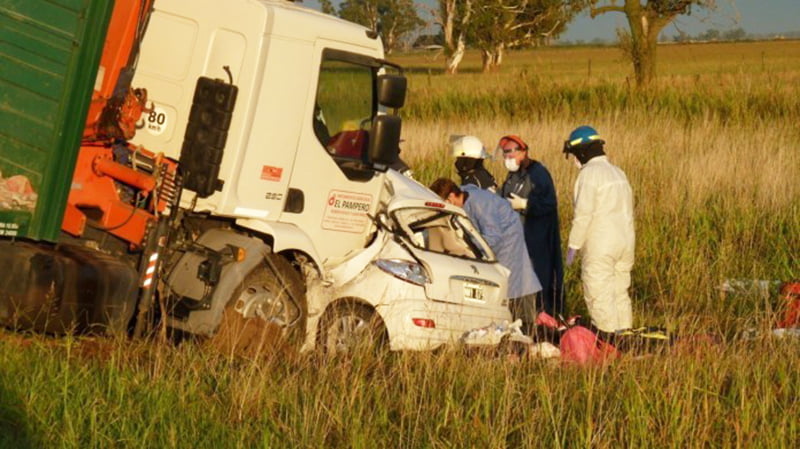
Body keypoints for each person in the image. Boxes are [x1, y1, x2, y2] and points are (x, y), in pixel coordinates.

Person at [430, 177, 541, 334]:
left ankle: (523, 330)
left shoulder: (481, 204)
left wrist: (469, 251)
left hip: (508, 246)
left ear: (451, 197)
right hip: (498, 246)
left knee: (513, 289)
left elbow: (493, 237)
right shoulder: (465, 197)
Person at [562, 125, 635, 333]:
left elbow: (583, 216)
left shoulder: (589, 174)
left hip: (601, 246)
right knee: (620, 294)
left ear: (582, 151)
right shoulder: (618, 173)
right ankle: (626, 341)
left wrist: (573, 247)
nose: (575, 160)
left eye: (574, 154)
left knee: (599, 296)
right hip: (626, 244)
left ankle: (609, 344)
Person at [497, 134, 564, 318]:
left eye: (511, 153)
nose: (508, 159)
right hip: (517, 241)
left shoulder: (538, 174)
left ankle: (542, 321)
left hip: (536, 240)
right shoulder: (513, 175)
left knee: (537, 282)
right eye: (505, 154)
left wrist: (526, 205)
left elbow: (549, 204)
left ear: (523, 152)